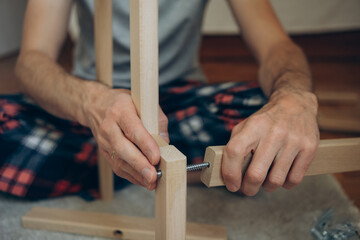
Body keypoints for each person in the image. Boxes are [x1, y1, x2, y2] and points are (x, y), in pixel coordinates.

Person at [0, 0, 319, 199]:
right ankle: (189, 166)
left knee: (265, 115)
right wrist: (92, 102)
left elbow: (277, 47)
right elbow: (31, 61)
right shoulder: (92, 104)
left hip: (179, 102)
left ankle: (123, 165)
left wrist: (293, 99)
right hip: (91, 109)